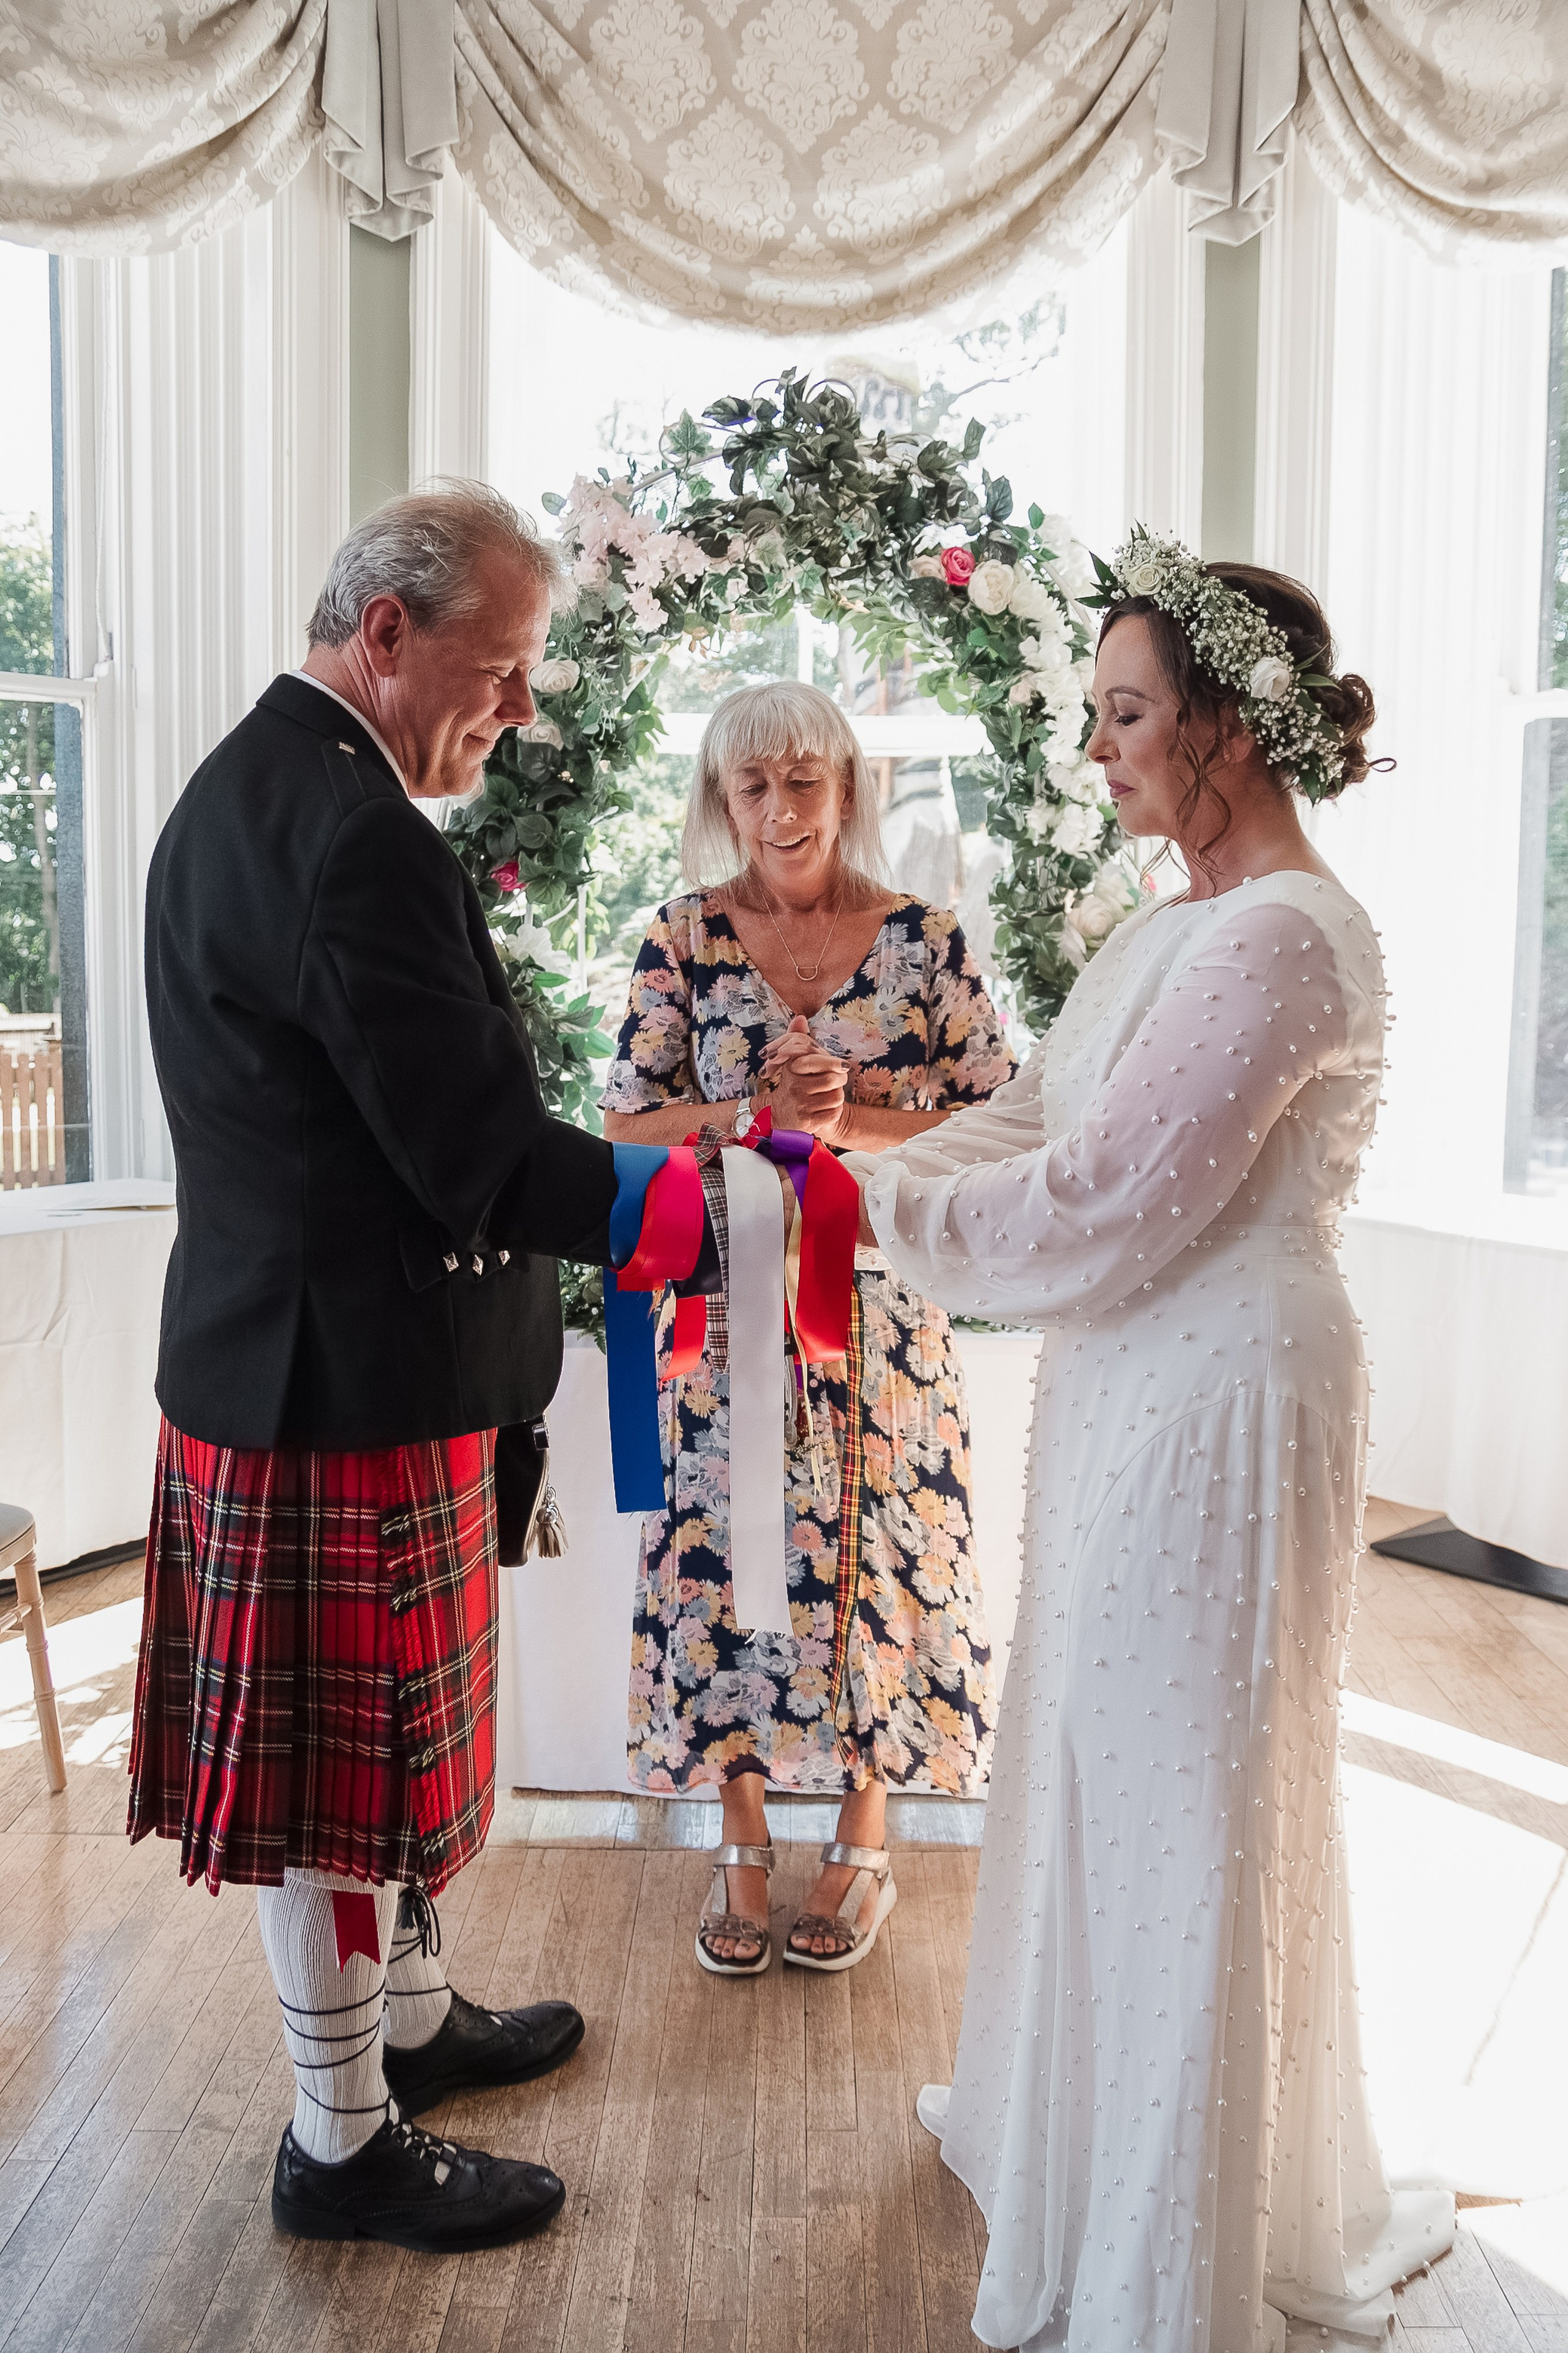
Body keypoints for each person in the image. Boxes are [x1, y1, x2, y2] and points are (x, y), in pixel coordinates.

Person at [846, 554, 1455, 2351]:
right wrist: (844, 1185)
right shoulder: (1162, 923)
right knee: (1097, 1751)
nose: (1095, 748)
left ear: (1232, 725)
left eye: (1126, 715)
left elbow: (1115, 1195)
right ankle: (1086, 2138)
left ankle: (1173, 2230)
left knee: (1192, 1776)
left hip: (1228, 1397)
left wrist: (865, 1221)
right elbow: (1035, 1118)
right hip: (1125, 1383)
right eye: (1097, 712)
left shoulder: (1289, 936)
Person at [132, 483, 707, 2256]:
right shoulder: (347, 829)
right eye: (507, 665)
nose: (523, 707)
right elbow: (472, 1152)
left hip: (320, 1362)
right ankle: (341, 2138)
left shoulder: (270, 785)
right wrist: (701, 1197)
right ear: (388, 629)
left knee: (386, 1764)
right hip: (334, 1392)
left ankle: (408, 2029)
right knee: (343, 1783)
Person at [603, 679, 1014, 1978]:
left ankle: (863, 1829)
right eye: (749, 786)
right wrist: (742, 1117)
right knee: (716, 1561)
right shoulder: (677, 938)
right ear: (719, 800)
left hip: (881, 1320)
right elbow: (622, 1127)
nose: (777, 810)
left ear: (847, 786)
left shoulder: (927, 940)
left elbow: (999, 1129)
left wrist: (849, 1126)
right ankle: (733, 1832)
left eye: (800, 781)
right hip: (716, 1316)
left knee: (879, 1560)